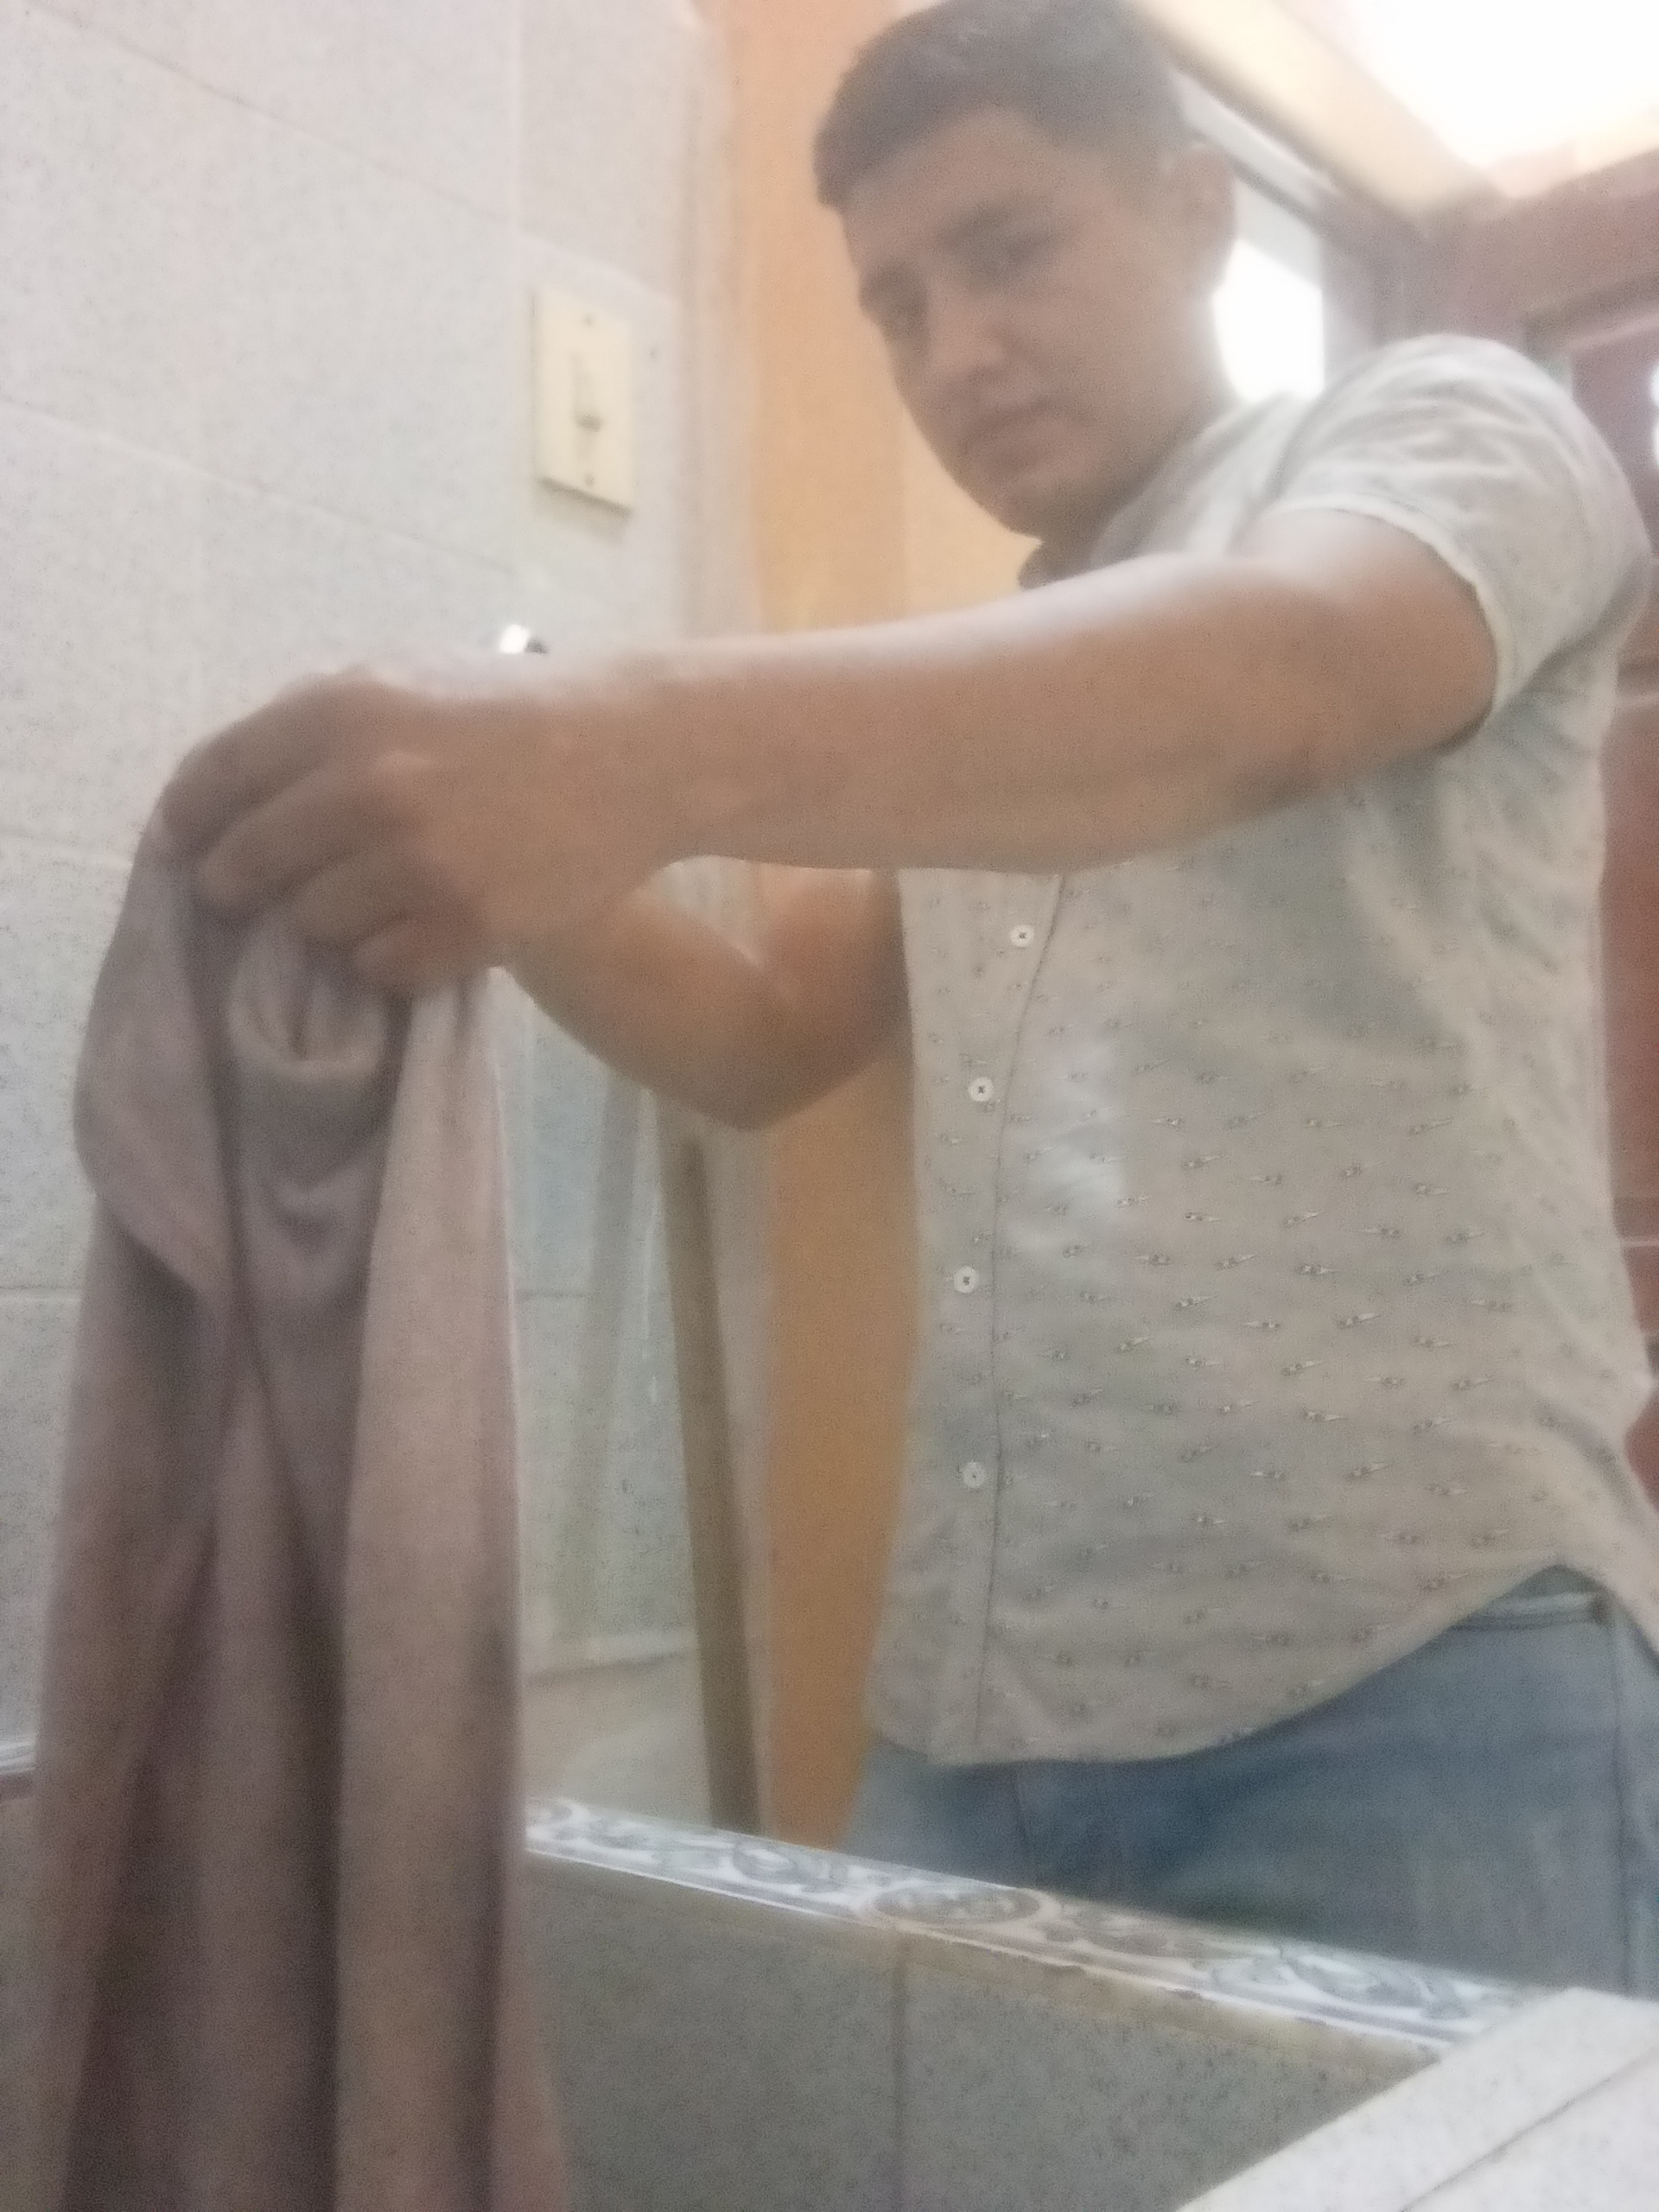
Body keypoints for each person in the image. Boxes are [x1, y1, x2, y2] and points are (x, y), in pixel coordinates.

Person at [163, 0, 1659, 1993]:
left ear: (1198, 211)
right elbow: (764, 1030)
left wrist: (620, 747)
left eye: (1009, 250)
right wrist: (476, 858)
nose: (956, 350)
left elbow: (1282, 677)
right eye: (897, 305)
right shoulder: (999, 699)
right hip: (978, 1716)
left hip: (1413, 1686)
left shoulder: (1450, 427)